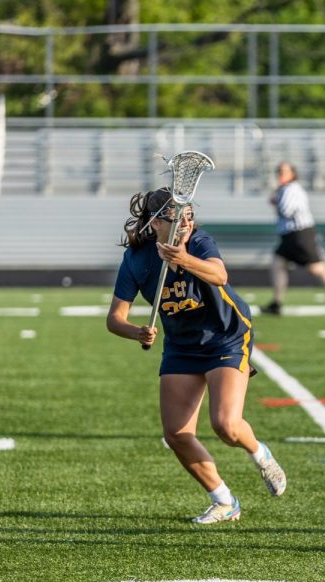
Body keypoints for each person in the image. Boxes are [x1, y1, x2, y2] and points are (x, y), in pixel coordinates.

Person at [106, 187, 287, 524]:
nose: (186, 225)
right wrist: (137, 332)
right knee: (176, 434)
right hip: (181, 345)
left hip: (226, 335)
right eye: (178, 220)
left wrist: (182, 258)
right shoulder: (136, 259)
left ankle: (260, 454)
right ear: (155, 223)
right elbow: (114, 319)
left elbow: (219, 274)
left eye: (189, 218)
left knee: (225, 424)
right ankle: (223, 500)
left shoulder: (200, 242)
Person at [261, 162, 325, 315]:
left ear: (293, 174)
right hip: (289, 235)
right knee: (277, 264)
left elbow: (286, 210)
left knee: (317, 268)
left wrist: (276, 199)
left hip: (300, 235)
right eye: (279, 171)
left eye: (284, 171)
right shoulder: (284, 189)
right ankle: (276, 303)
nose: (280, 174)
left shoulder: (291, 189)